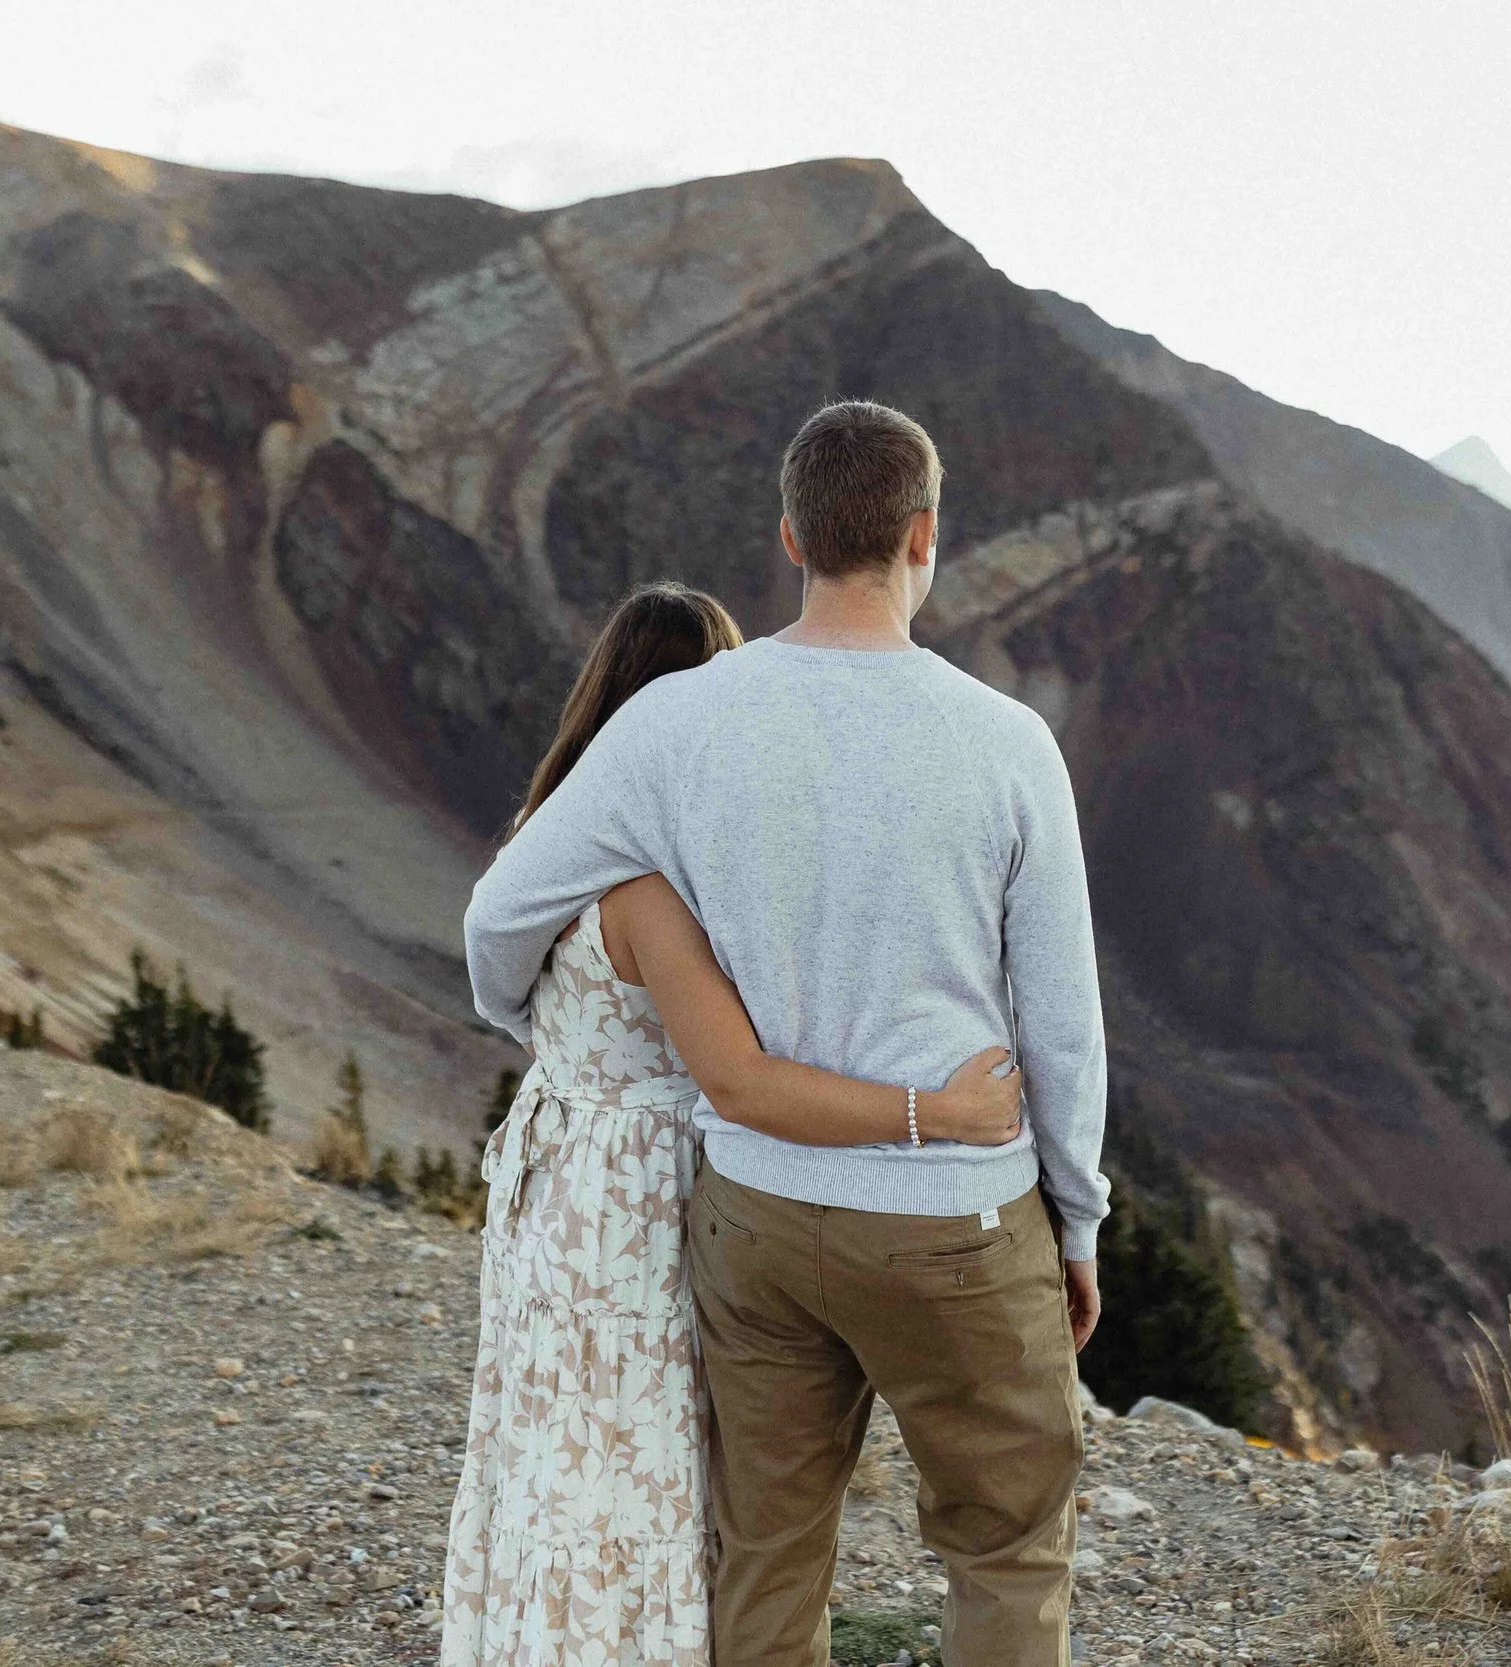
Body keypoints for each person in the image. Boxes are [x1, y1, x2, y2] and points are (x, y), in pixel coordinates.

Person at [464, 402, 1111, 1667]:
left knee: (766, 1552)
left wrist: (541, 1034)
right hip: (953, 1221)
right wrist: (1077, 1221)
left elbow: (502, 912)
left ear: (790, 536)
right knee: (1005, 1548)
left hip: (752, 1212)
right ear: (923, 535)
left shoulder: (677, 720)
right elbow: (1062, 1027)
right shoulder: (1007, 743)